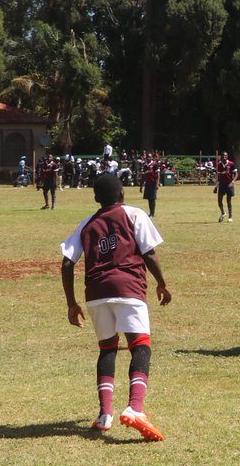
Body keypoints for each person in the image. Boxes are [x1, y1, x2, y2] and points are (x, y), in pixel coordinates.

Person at [59, 174, 172, 441]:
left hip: (96, 293)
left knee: (107, 348)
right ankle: (135, 408)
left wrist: (71, 303)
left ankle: (105, 414)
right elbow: (148, 253)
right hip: (127, 288)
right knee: (140, 345)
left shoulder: (87, 224)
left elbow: (66, 263)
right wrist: (162, 284)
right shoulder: (134, 214)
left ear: (96, 198)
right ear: (122, 193)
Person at [215, 152, 237, 222]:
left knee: (228, 201)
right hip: (222, 184)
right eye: (223, 156)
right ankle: (223, 213)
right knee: (219, 200)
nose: (224, 157)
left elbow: (236, 174)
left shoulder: (231, 164)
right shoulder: (219, 165)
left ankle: (230, 217)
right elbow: (219, 177)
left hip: (229, 184)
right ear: (220, 157)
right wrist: (216, 187)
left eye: (225, 156)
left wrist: (232, 182)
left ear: (227, 157)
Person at [141, 153, 160, 218]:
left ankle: (152, 213)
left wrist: (157, 184)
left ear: (152, 157)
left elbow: (157, 175)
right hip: (147, 183)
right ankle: (150, 212)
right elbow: (143, 175)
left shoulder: (154, 164)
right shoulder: (145, 165)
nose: (149, 158)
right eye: (147, 157)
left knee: (152, 198)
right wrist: (141, 186)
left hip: (153, 183)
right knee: (149, 199)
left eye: (150, 157)